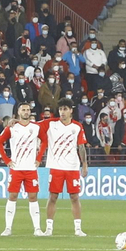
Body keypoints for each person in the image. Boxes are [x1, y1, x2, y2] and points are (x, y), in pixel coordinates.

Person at [0, 102, 45, 236]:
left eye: (28, 110)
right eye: (23, 110)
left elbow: (45, 141)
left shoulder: (36, 127)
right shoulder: (12, 128)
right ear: (18, 112)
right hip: (16, 168)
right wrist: (7, 160)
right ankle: (8, 228)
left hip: (30, 168)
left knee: (33, 196)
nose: (26, 112)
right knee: (12, 196)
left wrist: (39, 157)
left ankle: (37, 228)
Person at [43, 100, 89, 238]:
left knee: (74, 197)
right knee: (53, 196)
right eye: (60, 109)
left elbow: (81, 146)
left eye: (65, 109)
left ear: (71, 111)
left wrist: (84, 164)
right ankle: (49, 228)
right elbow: (32, 124)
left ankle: (78, 228)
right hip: (56, 166)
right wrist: (16, 120)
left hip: (72, 167)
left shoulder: (77, 127)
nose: (62, 112)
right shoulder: (51, 124)